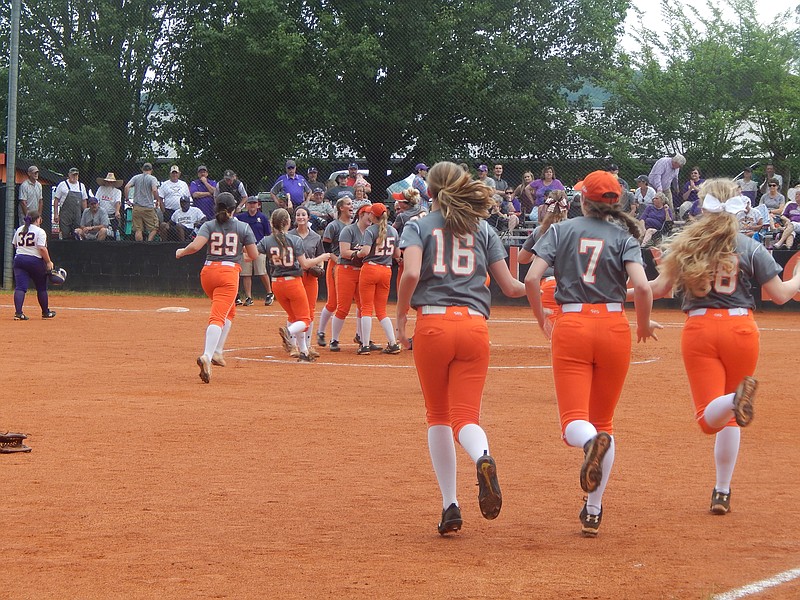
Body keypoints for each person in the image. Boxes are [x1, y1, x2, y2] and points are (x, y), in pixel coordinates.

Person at [647, 178, 800, 515]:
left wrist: (614, 293)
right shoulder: (750, 246)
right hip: (741, 328)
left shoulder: (689, 244)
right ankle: (722, 491)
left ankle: (735, 399)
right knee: (729, 419)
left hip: (701, 328)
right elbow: (780, 295)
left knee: (708, 419)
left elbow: (657, 288)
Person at [524, 170, 659, 537]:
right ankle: (594, 508)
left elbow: (532, 279)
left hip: (573, 325)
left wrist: (541, 319)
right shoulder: (624, 236)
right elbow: (643, 288)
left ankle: (589, 445)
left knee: (574, 425)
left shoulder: (560, 230)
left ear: (583, 199)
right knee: (605, 423)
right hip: (614, 327)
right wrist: (644, 325)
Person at [395, 161, 526, 535]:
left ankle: (450, 504)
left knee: (437, 415)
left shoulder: (417, 225)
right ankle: (482, 456)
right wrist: (552, 291)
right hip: (473, 326)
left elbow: (411, 273)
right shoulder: (483, 228)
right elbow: (513, 287)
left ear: (429, 192)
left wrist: (402, 314)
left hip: (434, 325)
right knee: (466, 417)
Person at [175, 192, 258, 383]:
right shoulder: (242, 227)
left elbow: (195, 247)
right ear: (234, 208)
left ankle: (218, 352)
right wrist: (238, 256)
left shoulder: (209, 225)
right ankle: (207, 355)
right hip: (228, 275)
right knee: (218, 317)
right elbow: (253, 255)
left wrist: (181, 252)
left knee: (229, 311)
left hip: (208, 273)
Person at [257, 208, 330, 362]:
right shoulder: (295, 240)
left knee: (294, 316)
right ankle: (289, 331)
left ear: (272, 223)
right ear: (288, 222)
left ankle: (303, 351)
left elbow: (251, 255)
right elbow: (305, 264)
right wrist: (322, 257)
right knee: (305, 319)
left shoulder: (267, 240)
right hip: (293, 283)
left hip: (276, 284)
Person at [355, 203, 402, 354]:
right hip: (386, 271)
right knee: (382, 311)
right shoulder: (393, 231)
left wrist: (356, 253)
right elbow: (397, 254)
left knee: (366, 308)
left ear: (372, 216)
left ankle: (365, 345)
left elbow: (365, 251)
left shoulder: (370, 230)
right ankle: (393, 343)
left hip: (370, 268)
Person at [517, 193, 569, 325]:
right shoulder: (575, 230)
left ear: (546, 209)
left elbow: (521, 258)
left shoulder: (540, 230)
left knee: (555, 334)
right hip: (572, 286)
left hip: (547, 285)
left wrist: (538, 255)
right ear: (566, 207)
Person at [329, 205, 372, 353]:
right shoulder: (349, 230)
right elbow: (344, 252)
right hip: (346, 270)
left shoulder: (371, 231)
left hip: (363, 272)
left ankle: (362, 337)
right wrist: (360, 253)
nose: (371, 217)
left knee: (363, 306)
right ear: (361, 214)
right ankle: (334, 339)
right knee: (343, 308)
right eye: (369, 214)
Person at [288, 206, 326, 359]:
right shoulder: (289, 235)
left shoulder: (315, 237)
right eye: (298, 215)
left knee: (309, 311)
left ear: (309, 217)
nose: (300, 217)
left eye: (303, 214)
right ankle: (293, 346)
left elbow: (320, 256)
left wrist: (320, 269)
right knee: (294, 312)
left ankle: (307, 346)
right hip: (295, 275)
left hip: (310, 277)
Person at [317, 197, 355, 348]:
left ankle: (360, 336)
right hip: (336, 263)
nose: (351, 206)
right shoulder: (333, 226)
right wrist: (337, 260)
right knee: (333, 302)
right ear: (341, 208)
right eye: (348, 204)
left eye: (351, 204)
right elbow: (326, 247)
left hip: (352, 265)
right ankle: (321, 331)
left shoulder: (355, 225)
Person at [12, 211, 56, 320]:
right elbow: (41, 248)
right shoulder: (40, 231)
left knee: (20, 287)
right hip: (34, 261)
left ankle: (18, 313)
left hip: (19, 259)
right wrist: (48, 262)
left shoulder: (20, 229)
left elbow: (15, 245)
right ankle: (45, 312)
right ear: (37, 219)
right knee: (41, 288)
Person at [235, 198, 274, 306]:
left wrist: (265, 247)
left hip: (259, 248)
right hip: (245, 248)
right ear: (246, 205)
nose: (252, 205)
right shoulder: (241, 217)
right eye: (250, 203)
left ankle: (269, 293)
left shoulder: (263, 218)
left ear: (258, 205)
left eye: (254, 203)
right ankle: (248, 297)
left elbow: (268, 234)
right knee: (246, 273)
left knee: (261, 271)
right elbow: (232, 221)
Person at [124, 162, 161, 242]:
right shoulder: (152, 178)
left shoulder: (136, 177)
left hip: (137, 207)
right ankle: (148, 243)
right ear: (151, 170)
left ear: (142, 169)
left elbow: (127, 187)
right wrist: (157, 200)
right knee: (154, 228)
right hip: (148, 208)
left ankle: (139, 246)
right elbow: (154, 189)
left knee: (138, 229)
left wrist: (127, 200)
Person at [54, 167, 89, 240]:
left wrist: (85, 213)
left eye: (76, 175)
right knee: (65, 233)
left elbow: (84, 200)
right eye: (73, 175)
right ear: (69, 175)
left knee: (77, 234)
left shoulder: (81, 186)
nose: (75, 177)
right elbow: (56, 200)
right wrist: (56, 214)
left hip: (77, 215)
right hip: (65, 215)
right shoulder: (62, 185)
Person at [159, 165, 191, 240]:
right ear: (170, 174)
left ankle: (181, 243)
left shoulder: (183, 184)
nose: (174, 175)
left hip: (181, 210)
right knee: (167, 227)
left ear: (179, 174)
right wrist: (164, 211)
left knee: (180, 227)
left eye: (176, 173)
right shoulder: (165, 184)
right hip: (169, 210)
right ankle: (166, 243)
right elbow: (160, 199)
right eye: (173, 173)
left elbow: (188, 197)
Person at [95, 172, 123, 240]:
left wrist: (117, 211)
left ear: (114, 183)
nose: (109, 183)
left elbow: (118, 202)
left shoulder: (117, 191)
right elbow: (96, 200)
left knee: (114, 232)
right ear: (105, 182)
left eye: (111, 182)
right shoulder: (100, 189)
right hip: (100, 213)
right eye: (108, 181)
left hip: (111, 215)